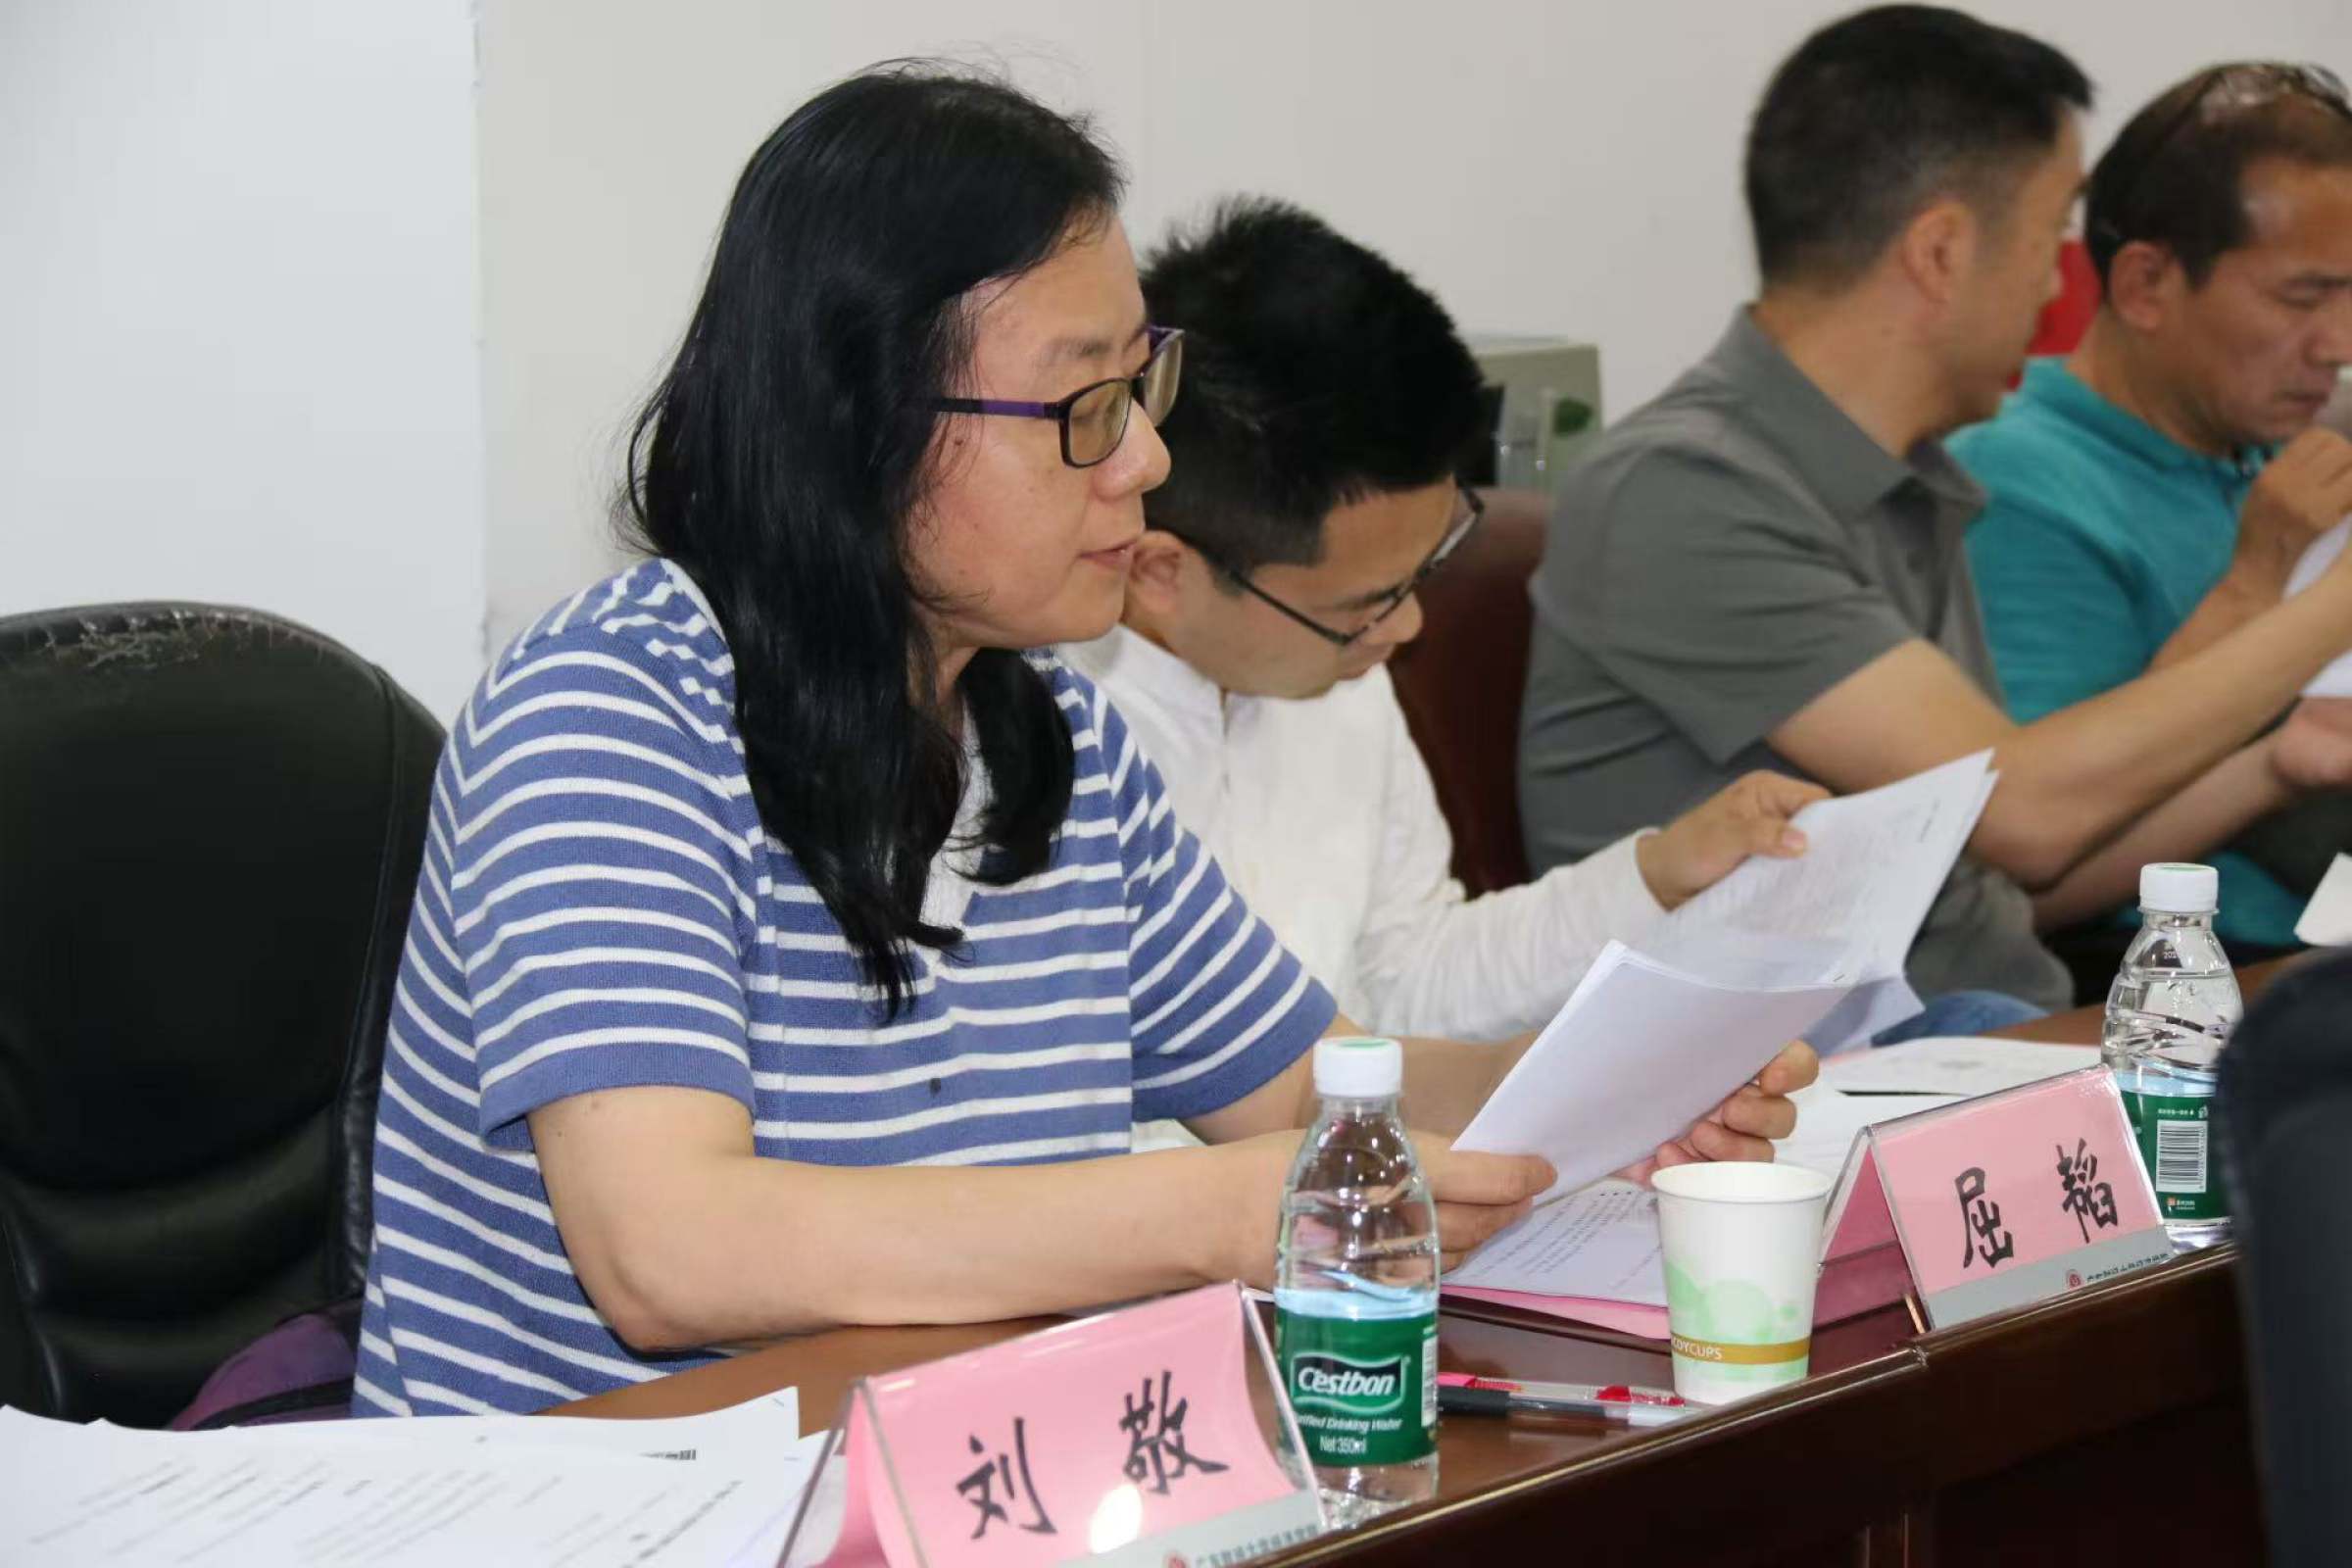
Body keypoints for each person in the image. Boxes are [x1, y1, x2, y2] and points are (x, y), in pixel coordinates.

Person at [353, 67, 1809, 1417]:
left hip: (956, 1496)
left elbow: (1321, 1090)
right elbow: (673, 1252)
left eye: (1141, 387)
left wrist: (1621, 1088)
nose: (1147, 462)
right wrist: (1206, 1214)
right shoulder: (609, 709)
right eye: (1086, 408)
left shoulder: (1055, 733)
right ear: (863, 422)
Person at [1518, 6, 2352, 1023]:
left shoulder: (1907, 476)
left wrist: (2273, 766)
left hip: (1979, 1029)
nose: (2056, 284)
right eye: (2051, 235)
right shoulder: (1680, 489)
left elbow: (2024, 875)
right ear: (1943, 251)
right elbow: (2025, 810)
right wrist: (2329, 604)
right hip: (1805, 1075)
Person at [1068, 198, 1825, 1044]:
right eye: (1363, 605)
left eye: (1422, 571)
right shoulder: (1043, 742)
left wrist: (1657, 876)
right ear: (1160, 572)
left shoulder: (1331, 674)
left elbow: (1407, 976)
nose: (1407, 627)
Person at [1951, 65, 2352, 953]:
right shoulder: (2013, 484)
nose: (2340, 345)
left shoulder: (2277, 444)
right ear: (2144, 286)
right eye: (2301, 297)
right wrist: (2256, 584)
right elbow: (2033, 861)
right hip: (2180, 980)